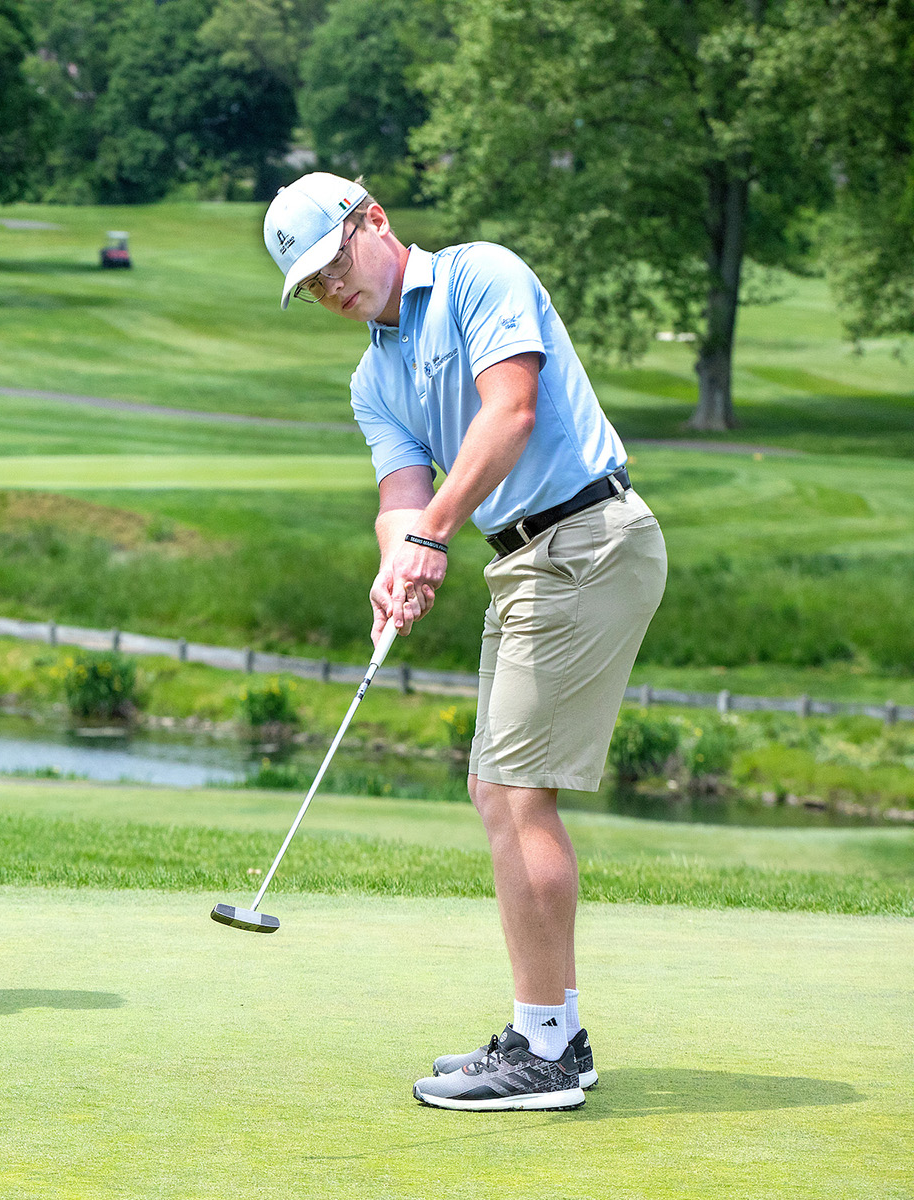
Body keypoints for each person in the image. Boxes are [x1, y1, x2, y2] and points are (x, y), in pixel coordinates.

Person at [261, 173, 667, 1110]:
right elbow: (401, 497)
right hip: (524, 559)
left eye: (333, 261)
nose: (331, 287)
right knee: (495, 789)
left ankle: (546, 1052)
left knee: (519, 794)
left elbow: (510, 413)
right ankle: (552, 1031)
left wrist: (434, 535)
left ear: (374, 220)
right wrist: (396, 564)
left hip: (587, 539)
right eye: (311, 284)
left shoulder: (482, 275)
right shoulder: (373, 377)